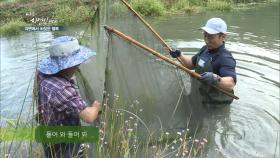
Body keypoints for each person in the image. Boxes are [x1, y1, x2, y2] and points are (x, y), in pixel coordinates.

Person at [37, 36, 101, 158]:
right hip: (66, 144)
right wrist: (96, 107)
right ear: (67, 65)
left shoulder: (41, 75)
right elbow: (88, 117)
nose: (78, 65)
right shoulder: (62, 89)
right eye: (76, 62)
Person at [170, 17, 237, 108]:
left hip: (213, 104)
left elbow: (230, 83)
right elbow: (190, 64)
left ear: (222, 37)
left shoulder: (225, 58)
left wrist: (215, 78)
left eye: (211, 37)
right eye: (205, 35)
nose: (207, 40)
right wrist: (180, 55)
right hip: (200, 97)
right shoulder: (204, 49)